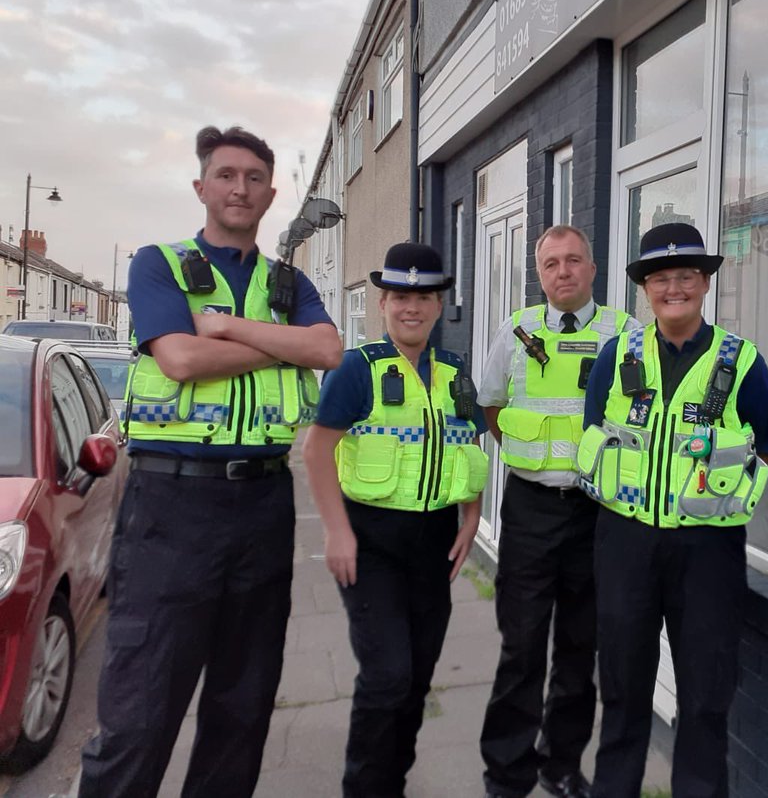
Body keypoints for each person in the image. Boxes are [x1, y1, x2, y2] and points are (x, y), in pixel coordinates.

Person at [79, 125, 343, 798]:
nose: (240, 187)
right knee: (140, 712)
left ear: (271, 193)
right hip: (172, 508)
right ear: (202, 186)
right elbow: (180, 358)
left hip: (262, 504)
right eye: (226, 175)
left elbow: (329, 351)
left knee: (243, 706)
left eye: (254, 177)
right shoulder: (160, 265)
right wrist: (282, 344)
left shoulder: (287, 280)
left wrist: (227, 327)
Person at [578, 222, 768, 798]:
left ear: (705, 283)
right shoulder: (615, 357)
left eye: (687, 276)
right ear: (645, 288)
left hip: (707, 552)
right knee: (621, 689)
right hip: (625, 543)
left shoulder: (741, 363)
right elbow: (596, 436)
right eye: (661, 278)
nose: (675, 288)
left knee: (705, 696)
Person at [303, 242, 488, 797]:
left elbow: (469, 444)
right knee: (387, 678)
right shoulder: (356, 370)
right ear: (382, 304)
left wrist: (473, 515)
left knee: (416, 680)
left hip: (434, 543)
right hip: (371, 541)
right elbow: (317, 451)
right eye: (401, 296)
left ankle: (392, 784)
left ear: (438, 305)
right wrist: (336, 530)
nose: (413, 306)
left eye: (424, 296)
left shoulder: (454, 371)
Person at [479, 224, 638, 798]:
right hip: (530, 509)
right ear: (539, 273)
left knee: (579, 647)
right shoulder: (516, 330)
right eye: (551, 263)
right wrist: (533, 463)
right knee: (520, 646)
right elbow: (491, 404)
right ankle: (507, 771)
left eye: (574, 261)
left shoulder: (625, 334)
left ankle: (560, 764)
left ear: (593, 270)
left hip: (599, 516)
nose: (563, 272)